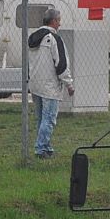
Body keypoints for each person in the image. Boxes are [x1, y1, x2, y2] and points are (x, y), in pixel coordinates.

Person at [26, 8, 74, 159]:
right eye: (59, 20)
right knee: (49, 119)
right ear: (53, 21)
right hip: (50, 86)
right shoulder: (54, 38)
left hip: (35, 83)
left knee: (41, 118)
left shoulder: (33, 37)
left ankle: (46, 146)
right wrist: (69, 83)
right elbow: (61, 64)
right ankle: (41, 149)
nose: (59, 24)